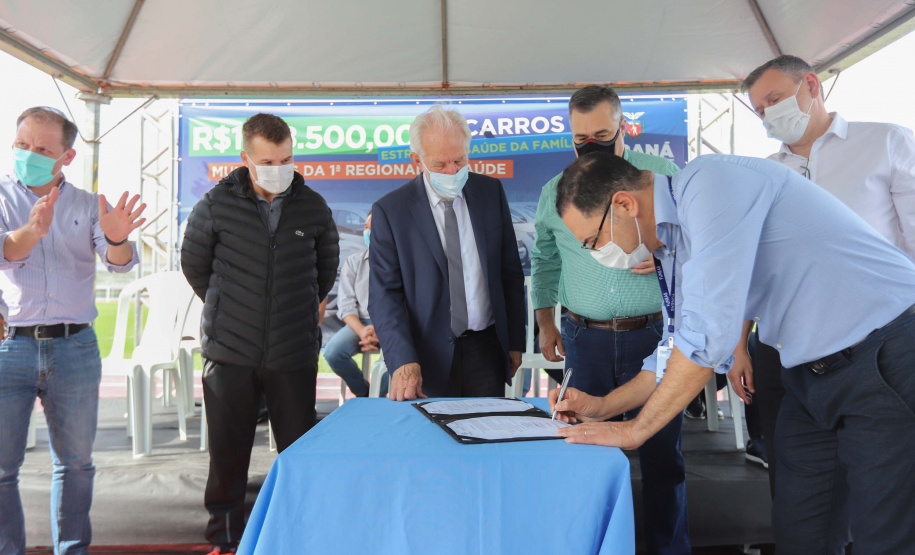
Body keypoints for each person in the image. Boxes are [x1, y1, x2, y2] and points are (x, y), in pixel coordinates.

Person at [550, 151, 915, 554]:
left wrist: (635, 429)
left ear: (623, 204)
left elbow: (708, 336)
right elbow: (675, 350)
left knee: (885, 534)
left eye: (593, 240)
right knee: (800, 531)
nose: (597, 254)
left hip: (886, 353)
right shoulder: (673, 247)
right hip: (811, 373)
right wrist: (603, 406)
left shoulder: (710, 183)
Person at [735, 54, 915, 509]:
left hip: (877, 346)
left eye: (773, 99)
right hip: (786, 354)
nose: (767, 115)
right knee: (795, 493)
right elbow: (750, 268)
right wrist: (739, 345)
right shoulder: (762, 174)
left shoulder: (886, 142)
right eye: (759, 110)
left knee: (882, 497)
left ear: (811, 85)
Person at [530, 85, 689, 555]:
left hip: (654, 335)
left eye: (601, 133)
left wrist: (663, 249)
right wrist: (545, 323)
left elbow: (697, 243)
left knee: (663, 455)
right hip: (586, 336)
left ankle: (666, 549)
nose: (590, 145)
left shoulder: (661, 177)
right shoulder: (555, 192)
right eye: (581, 138)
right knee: (585, 451)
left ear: (624, 127)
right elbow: (545, 260)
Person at [181, 112, 339, 555]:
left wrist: (293, 309)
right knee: (227, 456)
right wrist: (233, 308)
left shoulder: (313, 206)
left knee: (296, 455)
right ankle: (224, 540)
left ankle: (296, 535)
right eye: (269, 160)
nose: (280, 168)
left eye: (287, 158)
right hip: (230, 353)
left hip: (293, 353)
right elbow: (195, 268)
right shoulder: (214, 205)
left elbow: (325, 271)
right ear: (246, 159)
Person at [0, 106, 144, 555]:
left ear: (67, 156)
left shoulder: (88, 205)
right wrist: (32, 232)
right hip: (11, 346)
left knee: (76, 465)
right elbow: (5, 252)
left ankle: (72, 549)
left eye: (43, 149)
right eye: (23, 145)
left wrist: (117, 239)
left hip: (75, 347)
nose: (30, 154)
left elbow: (118, 265)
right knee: (2, 469)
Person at [369, 105, 525, 401]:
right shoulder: (392, 211)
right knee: (431, 444)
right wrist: (402, 359)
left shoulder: (490, 192)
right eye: (440, 164)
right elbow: (384, 295)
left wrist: (514, 341)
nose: (453, 171)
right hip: (425, 358)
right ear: (417, 160)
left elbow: (510, 272)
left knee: (486, 438)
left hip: (487, 350)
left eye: (460, 160)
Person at [324, 212, 388, 397]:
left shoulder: (401, 262)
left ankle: (380, 397)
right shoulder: (353, 262)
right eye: (366, 228)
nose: (367, 232)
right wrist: (363, 332)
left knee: (395, 356)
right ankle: (366, 395)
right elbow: (346, 306)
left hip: (391, 324)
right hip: (360, 324)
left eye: (372, 228)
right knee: (333, 353)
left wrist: (381, 330)